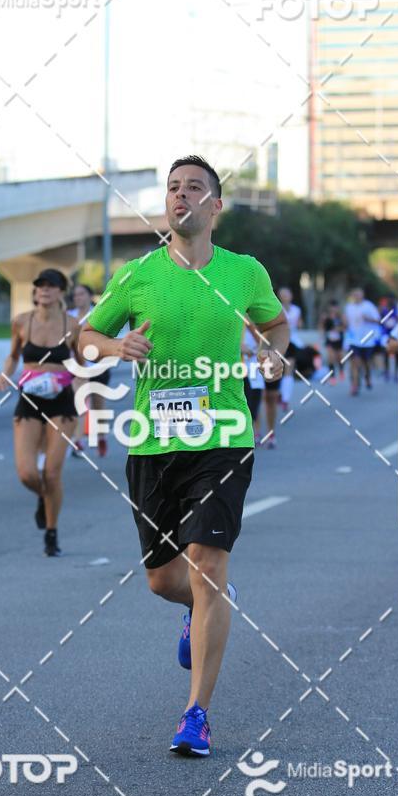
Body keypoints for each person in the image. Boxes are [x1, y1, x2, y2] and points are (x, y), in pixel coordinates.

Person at [79, 155, 289, 756]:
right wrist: (116, 345)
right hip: (153, 439)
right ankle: (203, 606)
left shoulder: (244, 271)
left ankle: (196, 714)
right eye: (173, 188)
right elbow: (85, 339)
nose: (181, 196)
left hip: (223, 433)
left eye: (194, 188)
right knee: (164, 579)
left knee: (207, 564)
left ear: (215, 206)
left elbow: (274, 326)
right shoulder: (139, 273)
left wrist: (273, 353)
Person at [0, 268, 81, 557]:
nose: (44, 290)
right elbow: (14, 355)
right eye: (40, 285)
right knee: (27, 473)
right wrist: (4, 374)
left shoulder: (73, 325)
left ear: (60, 292)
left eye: (50, 286)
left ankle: (51, 534)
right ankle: (45, 499)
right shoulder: (21, 322)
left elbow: (82, 365)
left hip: (62, 402)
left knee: (52, 472)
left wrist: (82, 395)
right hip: (29, 400)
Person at [68, 283, 111, 458]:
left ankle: (101, 437)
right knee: (80, 404)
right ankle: (78, 441)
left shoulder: (98, 313)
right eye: (75, 295)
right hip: (77, 367)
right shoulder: (68, 317)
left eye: (81, 294)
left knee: (98, 405)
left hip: (98, 366)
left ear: (89, 296)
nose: (78, 297)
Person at [242, 323, 279, 448]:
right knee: (247, 405)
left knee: (259, 404)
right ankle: (253, 434)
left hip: (259, 372)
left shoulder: (260, 329)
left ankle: (265, 433)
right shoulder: (237, 328)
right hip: (241, 372)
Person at [342, 287, 380, 396]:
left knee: (366, 362)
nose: (357, 296)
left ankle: (367, 376)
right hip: (353, 339)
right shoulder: (349, 307)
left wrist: (368, 319)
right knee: (355, 361)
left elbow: (378, 320)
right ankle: (354, 384)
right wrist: (344, 323)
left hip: (367, 340)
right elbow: (346, 322)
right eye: (355, 294)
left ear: (362, 295)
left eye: (359, 294)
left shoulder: (369, 306)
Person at [278, 287, 303, 411]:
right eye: (283, 295)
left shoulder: (297, 310)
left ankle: (285, 399)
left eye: (287, 294)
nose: (285, 297)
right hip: (278, 342)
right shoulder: (276, 308)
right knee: (278, 370)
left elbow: (299, 324)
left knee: (289, 368)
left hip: (292, 342)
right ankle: (279, 393)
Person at [319, 299, 345, 384]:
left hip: (339, 340)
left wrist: (339, 329)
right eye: (332, 307)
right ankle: (332, 376)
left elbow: (345, 327)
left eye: (335, 307)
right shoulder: (325, 317)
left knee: (340, 357)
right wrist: (322, 334)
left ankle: (341, 371)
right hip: (329, 340)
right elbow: (322, 327)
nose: (333, 309)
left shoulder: (341, 317)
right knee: (331, 357)